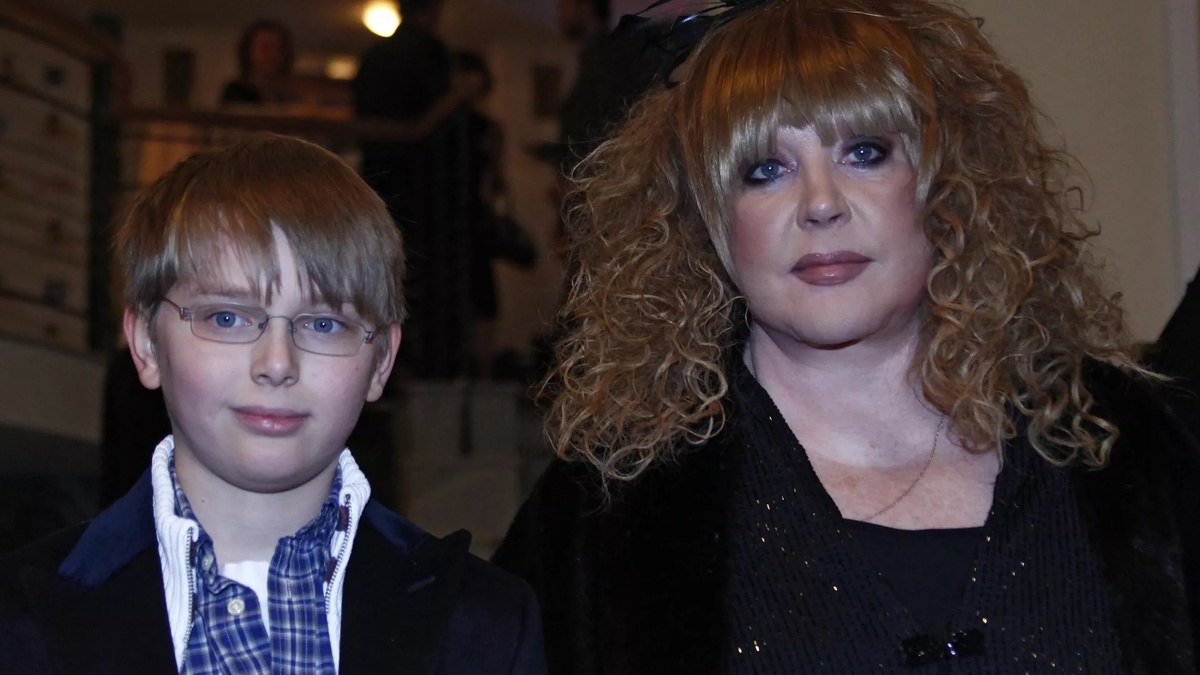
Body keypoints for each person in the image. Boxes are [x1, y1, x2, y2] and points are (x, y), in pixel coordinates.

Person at [492, 0, 1200, 673]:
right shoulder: (610, 511)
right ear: (704, 218)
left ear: (947, 183)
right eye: (764, 170)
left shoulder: (1127, 449)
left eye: (865, 152)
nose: (821, 204)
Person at [0, 135, 546, 674]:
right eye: (227, 318)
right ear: (145, 343)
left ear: (381, 360)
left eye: (324, 324)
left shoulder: (488, 626)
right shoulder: (17, 622)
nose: (278, 363)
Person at [220, 19, 297, 106]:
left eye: (277, 47)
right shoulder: (235, 92)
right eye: (264, 47)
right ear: (249, 52)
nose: (272, 54)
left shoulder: (292, 94)